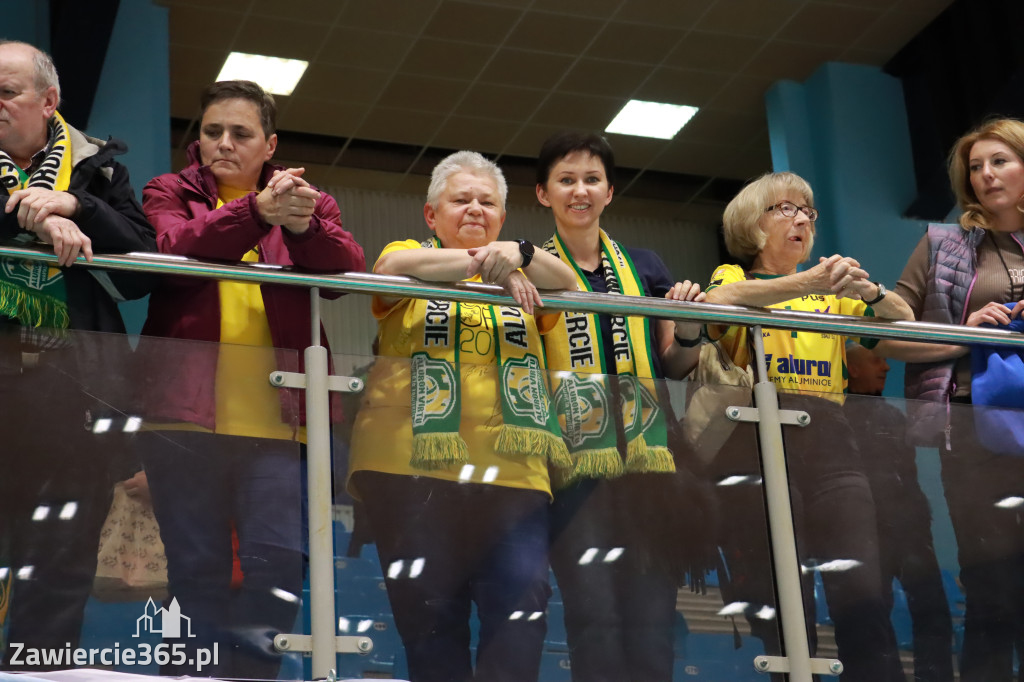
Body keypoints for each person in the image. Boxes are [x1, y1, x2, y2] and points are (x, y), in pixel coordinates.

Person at [138, 79, 365, 679]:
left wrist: (302, 225)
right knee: (193, 571)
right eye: (212, 131)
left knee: (279, 569)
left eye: (240, 133)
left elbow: (347, 272)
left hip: (282, 426)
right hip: (180, 420)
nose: (223, 144)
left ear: (270, 145)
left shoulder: (306, 200)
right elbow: (172, 249)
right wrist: (256, 212)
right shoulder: (169, 190)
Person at [347, 150, 577, 682]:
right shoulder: (410, 252)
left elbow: (567, 282)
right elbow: (390, 270)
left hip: (514, 470)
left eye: (487, 202)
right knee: (428, 618)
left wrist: (517, 254)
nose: (475, 208)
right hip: (410, 467)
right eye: (461, 199)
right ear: (432, 216)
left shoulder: (529, 269)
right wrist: (488, 265)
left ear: (503, 216)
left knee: (522, 608)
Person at [703, 171, 912, 682]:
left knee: (863, 591)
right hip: (759, 443)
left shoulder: (830, 291)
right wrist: (811, 281)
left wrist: (869, 290)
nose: (801, 219)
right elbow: (714, 308)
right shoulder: (731, 275)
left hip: (834, 443)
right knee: (783, 598)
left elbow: (903, 321)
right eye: (785, 209)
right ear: (753, 222)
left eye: (807, 212)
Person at [534, 131, 715, 682]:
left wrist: (688, 329)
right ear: (544, 193)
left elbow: (676, 363)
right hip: (572, 468)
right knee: (594, 618)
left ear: (610, 192)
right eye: (566, 180)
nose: (580, 191)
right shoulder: (529, 267)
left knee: (652, 619)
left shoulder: (644, 265)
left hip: (650, 464)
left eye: (592, 179)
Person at [0, 40, 156, 668]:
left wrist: (75, 205)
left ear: (49, 100)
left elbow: (145, 267)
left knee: (61, 558)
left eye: (7, 92)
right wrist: (32, 217)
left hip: (73, 390)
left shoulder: (100, 170)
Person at [878, 117, 1024, 682]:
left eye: (999, 161)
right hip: (971, 425)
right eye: (976, 167)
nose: (986, 175)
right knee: (990, 584)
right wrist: (965, 331)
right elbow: (886, 336)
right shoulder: (943, 244)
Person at [845, 343, 953, 682]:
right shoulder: (835, 417)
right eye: (877, 359)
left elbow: (910, 478)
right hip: (865, 534)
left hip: (910, 530)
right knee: (871, 616)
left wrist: (920, 524)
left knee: (934, 612)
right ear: (852, 369)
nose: (887, 367)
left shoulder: (892, 416)